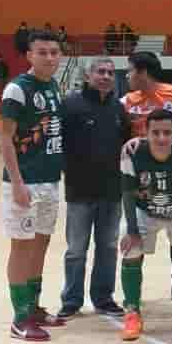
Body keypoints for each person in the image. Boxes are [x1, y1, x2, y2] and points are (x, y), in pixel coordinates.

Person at [0, 30, 66, 341]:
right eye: (42, 52)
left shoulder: (53, 85)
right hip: (25, 182)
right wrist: (17, 183)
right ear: (29, 55)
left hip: (50, 181)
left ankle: (34, 306)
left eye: (54, 52)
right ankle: (19, 317)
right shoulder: (17, 89)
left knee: (41, 244)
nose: (50, 57)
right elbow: (4, 139)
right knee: (22, 246)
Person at [56, 58, 132, 320]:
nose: (106, 76)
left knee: (108, 247)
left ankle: (103, 298)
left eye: (110, 72)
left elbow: (127, 145)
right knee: (76, 249)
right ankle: (72, 300)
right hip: (79, 192)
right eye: (100, 71)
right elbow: (59, 144)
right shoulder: (71, 105)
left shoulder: (118, 108)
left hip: (112, 191)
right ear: (88, 75)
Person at [118, 110, 172, 341]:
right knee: (130, 248)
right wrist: (133, 231)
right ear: (145, 133)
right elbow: (127, 193)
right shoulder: (131, 154)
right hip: (144, 211)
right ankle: (133, 312)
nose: (162, 138)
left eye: (167, 132)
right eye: (155, 133)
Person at [120, 51, 172, 305]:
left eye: (130, 70)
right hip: (142, 176)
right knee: (137, 235)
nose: (127, 76)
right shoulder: (126, 101)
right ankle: (134, 295)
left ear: (142, 72)